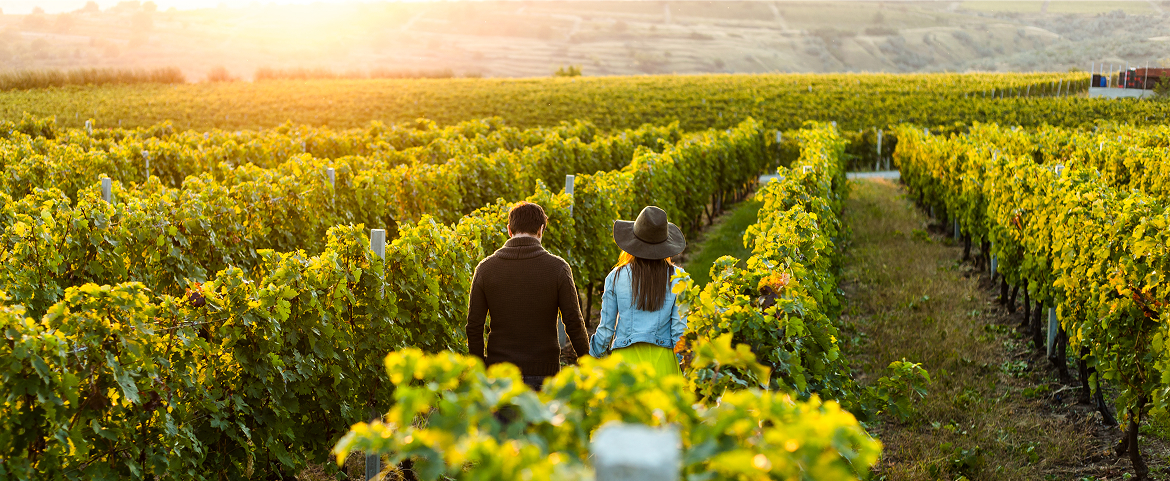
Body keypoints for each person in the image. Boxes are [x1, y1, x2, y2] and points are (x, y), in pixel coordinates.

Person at [466, 201, 590, 392]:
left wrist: (481, 369)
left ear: (509, 230)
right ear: (541, 230)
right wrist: (588, 361)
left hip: (499, 377)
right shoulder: (558, 268)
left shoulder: (485, 269)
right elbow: (573, 321)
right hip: (544, 376)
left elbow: (474, 326)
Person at [589, 206, 688, 377]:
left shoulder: (615, 276)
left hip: (625, 364)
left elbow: (606, 329)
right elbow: (679, 330)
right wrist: (687, 367)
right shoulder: (679, 277)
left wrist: (592, 356)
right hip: (663, 364)